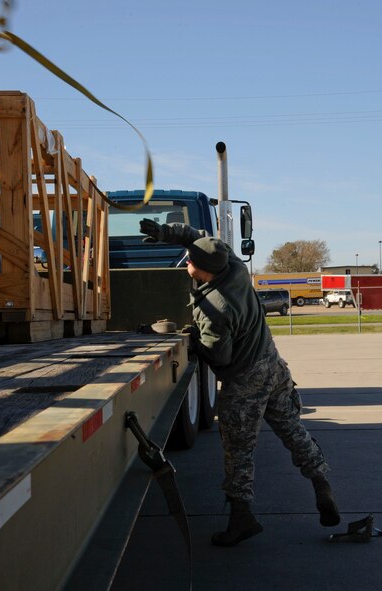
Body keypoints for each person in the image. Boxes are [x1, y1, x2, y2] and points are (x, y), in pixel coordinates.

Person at [139, 218, 340, 547]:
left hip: (245, 379)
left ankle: (242, 517)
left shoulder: (215, 309)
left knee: (238, 451)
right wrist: (167, 233)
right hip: (273, 365)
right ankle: (321, 482)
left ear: (204, 271)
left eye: (191, 261)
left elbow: (219, 357)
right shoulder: (231, 264)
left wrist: (190, 338)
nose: (187, 261)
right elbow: (199, 239)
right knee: (292, 430)